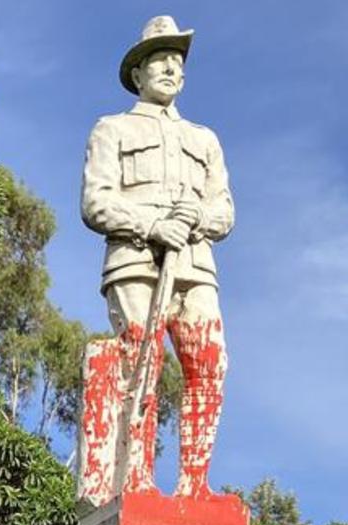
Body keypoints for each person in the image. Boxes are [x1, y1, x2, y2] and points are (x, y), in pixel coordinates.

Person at [81, 15, 234, 497]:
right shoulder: (112, 129)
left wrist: (194, 222)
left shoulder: (204, 139)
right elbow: (95, 202)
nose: (170, 69)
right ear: (138, 73)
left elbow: (224, 209)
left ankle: (195, 485)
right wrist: (151, 225)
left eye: (176, 62)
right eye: (159, 60)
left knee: (210, 364)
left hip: (195, 266)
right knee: (142, 365)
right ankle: (136, 480)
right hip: (135, 262)